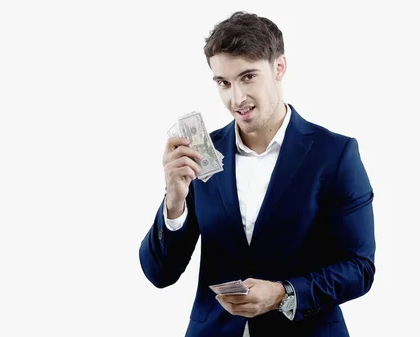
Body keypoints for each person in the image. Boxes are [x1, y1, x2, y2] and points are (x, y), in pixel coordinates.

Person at [139, 11, 376, 337]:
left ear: (279, 68)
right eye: (224, 83)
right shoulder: (201, 154)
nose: (236, 98)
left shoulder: (334, 155)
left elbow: (359, 268)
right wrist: (174, 203)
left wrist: (284, 292)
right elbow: (159, 274)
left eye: (248, 77)